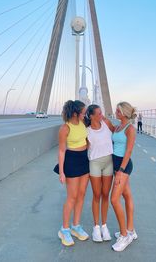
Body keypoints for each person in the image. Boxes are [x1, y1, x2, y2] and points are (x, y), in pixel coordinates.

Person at [57, 100, 89, 246]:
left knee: (81, 194)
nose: (85, 114)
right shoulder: (65, 128)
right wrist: (62, 172)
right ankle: (64, 229)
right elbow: (62, 151)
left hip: (84, 160)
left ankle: (76, 226)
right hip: (72, 161)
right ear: (76, 113)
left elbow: (86, 138)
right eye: (83, 112)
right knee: (72, 196)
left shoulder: (83, 123)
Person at [84, 105, 114, 242]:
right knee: (96, 195)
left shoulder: (106, 123)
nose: (102, 115)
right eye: (99, 113)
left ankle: (104, 226)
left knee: (105, 194)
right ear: (91, 116)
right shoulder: (87, 131)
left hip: (109, 162)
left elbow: (118, 133)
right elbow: (82, 147)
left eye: (102, 112)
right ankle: (96, 227)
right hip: (95, 163)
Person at [111, 101, 138, 252]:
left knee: (114, 199)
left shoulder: (130, 129)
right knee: (127, 195)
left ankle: (124, 236)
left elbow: (128, 152)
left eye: (118, 111)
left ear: (125, 113)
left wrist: (120, 171)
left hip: (124, 166)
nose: (116, 113)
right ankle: (131, 230)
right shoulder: (118, 126)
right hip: (116, 165)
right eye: (116, 110)